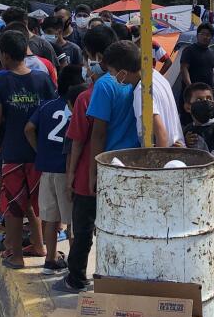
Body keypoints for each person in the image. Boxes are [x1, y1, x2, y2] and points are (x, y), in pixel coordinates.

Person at [0, 30, 57, 270]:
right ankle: (39, 245)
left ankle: (15, 255)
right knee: (36, 203)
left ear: (4, 55)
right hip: (39, 153)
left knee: (14, 205)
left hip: (13, 153)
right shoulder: (42, 80)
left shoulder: (1, 82)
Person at [58, 25, 118, 292]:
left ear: (94, 56)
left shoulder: (87, 97)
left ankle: (77, 276)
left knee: (83, 230)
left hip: (88, 176)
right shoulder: (131, 89)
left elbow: (78, 141)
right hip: (119, 172)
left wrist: (71, 176)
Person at [26, 64, 83, 271]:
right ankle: (75, 264)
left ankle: (50, 259)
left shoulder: (46, 106)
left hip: (46, 169)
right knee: (72, 222)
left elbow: (29, 128)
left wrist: (40, 150)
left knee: (50, 218)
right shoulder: (77, 107)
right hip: (66, 171)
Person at [86, 39, 141, 196]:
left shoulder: (104, 85)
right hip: (138, 159)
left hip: (112, 163)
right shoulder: (144, 81)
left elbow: (98, 134)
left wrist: (93, 173)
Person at [134, 58, 184, 147]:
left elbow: (161, 135)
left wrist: (159, 159)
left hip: (166, 153)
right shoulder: (157, 76)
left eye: (112, 71)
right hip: (175, 147)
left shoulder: (143, 90)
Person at [182, 83, 214, 155]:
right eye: (199, 100)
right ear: (188, 107)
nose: (205, 102)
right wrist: (184, 142)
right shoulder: (188, 129)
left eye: (209, 98)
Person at [179, 23, 214, 91]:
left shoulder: (212, 53)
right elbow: (184, 69)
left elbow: (211, 72)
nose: (205, 37)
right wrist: (190, 87)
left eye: (208, 35)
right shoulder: (189, 50)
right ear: (197, 35)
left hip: (206, 91)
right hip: (191, 91)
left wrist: (212, 89)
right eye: (202, 34)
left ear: (212, 37)